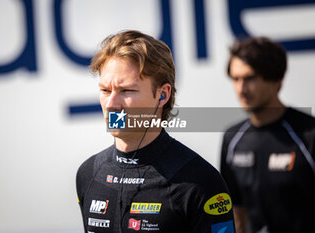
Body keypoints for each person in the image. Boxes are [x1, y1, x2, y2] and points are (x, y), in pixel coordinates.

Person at [76, 30, 235, 233]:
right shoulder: (88, 174)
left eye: (126, 91)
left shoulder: (200, 182)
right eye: (105, 91)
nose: (112, 104)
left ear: (162, 95)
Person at [220, 37, 315, 233]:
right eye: (236, 79)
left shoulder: (309, 134)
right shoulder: (232, 138)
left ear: (276, 80)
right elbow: (236, 214)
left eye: (250, 78)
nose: (241, 89)